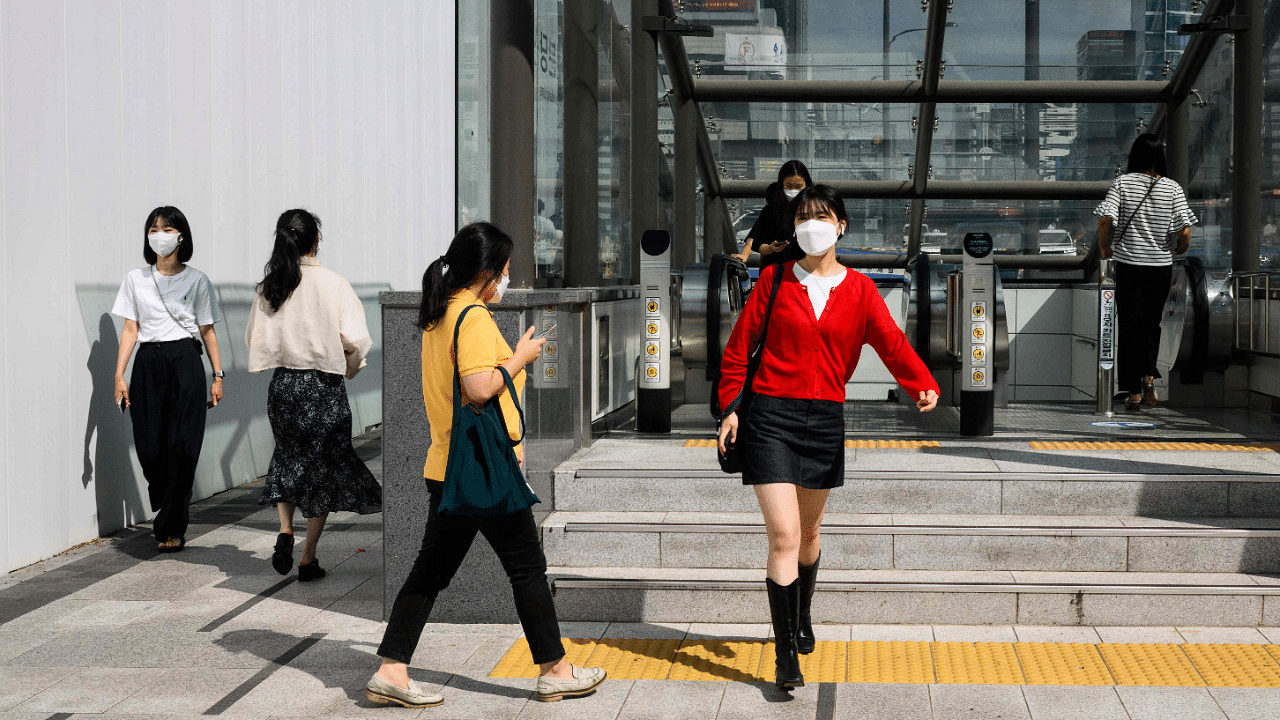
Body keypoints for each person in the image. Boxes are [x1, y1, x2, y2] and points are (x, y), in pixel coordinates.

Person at [367, 222, 605, 708]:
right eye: (505, 271)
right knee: (526, 566)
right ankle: (556, 670)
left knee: (430, 571)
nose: (507, 280)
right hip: (482, 468)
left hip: (448, 467)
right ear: (486, 273)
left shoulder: (441, 314)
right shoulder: (472, 318)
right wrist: (520, 357)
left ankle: (392, 667)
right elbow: (478, 388)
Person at [716, 185, 939, 690]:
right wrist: (731, 409)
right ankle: (784, 656)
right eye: (802, 217)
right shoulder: (772, 281)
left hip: (824, 421)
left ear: (841, 225)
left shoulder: (860, 290)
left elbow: (891, 343)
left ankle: (802, 614)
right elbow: (737, 351)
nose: (810, 224)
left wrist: (921, 381)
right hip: (770, 417)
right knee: (784, 537)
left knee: (810, 538)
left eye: (821, 216)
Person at [246, 209, 383, 581]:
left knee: (288, 456)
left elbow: (254, 337)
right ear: (315, 239)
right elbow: (356, 340)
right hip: (322, 387)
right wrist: (348, 365)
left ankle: (285, 529)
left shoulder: (271, 285)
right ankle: (308, 557)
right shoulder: (333, 284)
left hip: (284, 386)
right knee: (320, 469)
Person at [112, 206, 225, 553]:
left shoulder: (197, 280)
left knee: (183, 446)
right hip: (148, 362)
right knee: (149, 445)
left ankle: (171, 527)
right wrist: (119, 375)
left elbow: (206, 329)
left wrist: (218, 376)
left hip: (186, 361)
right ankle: (166, 494)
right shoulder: (135, 279)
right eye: (153, 229)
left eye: (167, 228)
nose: (160, 235)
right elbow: (131, 328)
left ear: (181, 236)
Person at [1095, 133, 1196, 411]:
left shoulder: (1123, 183)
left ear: (1134, 156)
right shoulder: (1172, 188)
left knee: (1129, 326)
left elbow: (1106, 219)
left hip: (1129, 265)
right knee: (1152, 324)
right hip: (1160, 267)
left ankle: (1133, 391)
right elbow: (1184, 231)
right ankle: (1149, 378)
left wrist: (1105, 248)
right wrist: (1180, 248)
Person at [735, 160, 814, 267]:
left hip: (805, 272)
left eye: (798, 186)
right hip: (775, 272)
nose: (794, 191)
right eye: (789, 186)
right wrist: (770, 248)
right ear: (781, 185)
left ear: (806, 185)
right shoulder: (771, 211)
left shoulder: (814, 211)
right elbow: (754, 241)